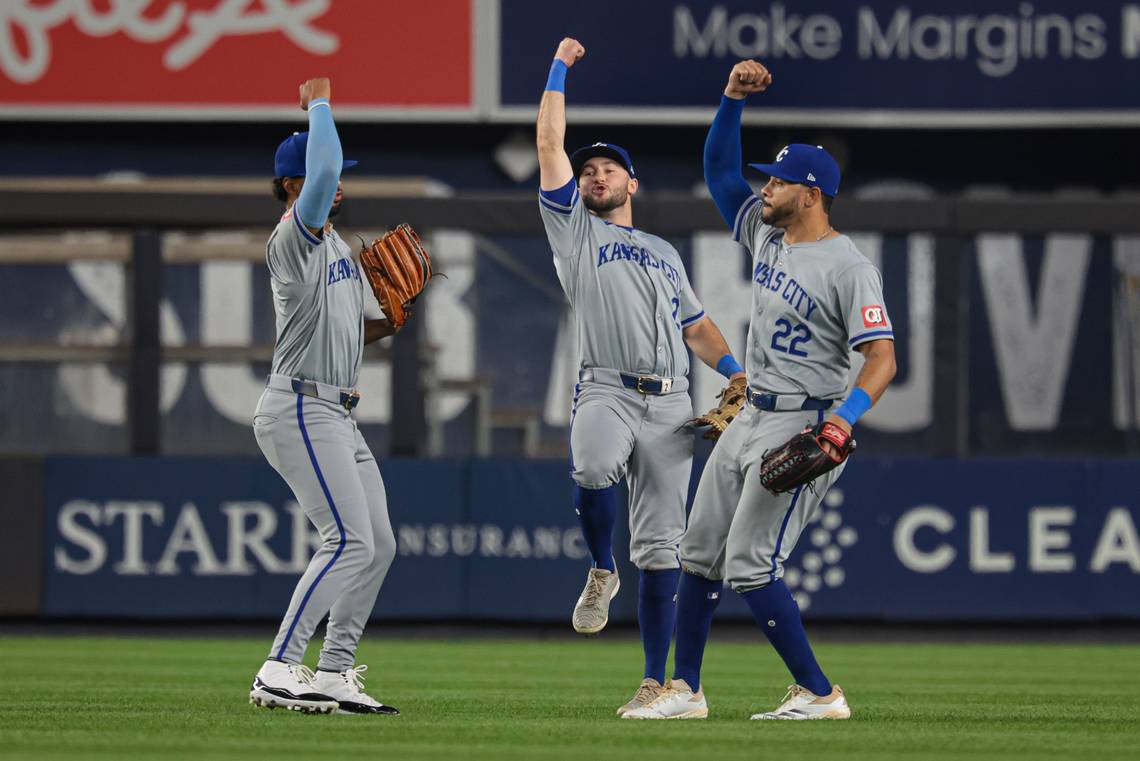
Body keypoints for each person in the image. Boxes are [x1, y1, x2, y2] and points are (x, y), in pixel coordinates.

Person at [625, 60, 897, 721]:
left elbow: (882, 359)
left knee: (750, 563)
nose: (765, 187)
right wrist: (729, 101)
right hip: (748, 416)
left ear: (811, 194)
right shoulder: (767, 236)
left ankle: (821, 693)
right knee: (699, 553)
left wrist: (843, 420)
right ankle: (685, 690)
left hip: (803, 422)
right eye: (768, 177)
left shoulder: (848, 267)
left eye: (778, 180)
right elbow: (720, 171)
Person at [536, 38, 748, 718]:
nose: (597, 175)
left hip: (673, 403)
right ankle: (602, 568)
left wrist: (737, 370)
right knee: (594, 466)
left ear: (633, 185)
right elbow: (548, 145)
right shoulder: (575, 233)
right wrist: (560, 66)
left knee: (663, 549)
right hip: (606, 387)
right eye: (590, 168)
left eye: (609, 169)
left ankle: (659, 682)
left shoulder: (662, 253)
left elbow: (696, 327)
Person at [247, 77, 402, 716]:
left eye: (337, 177)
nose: (338, 183)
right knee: (346, 541)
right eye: (321, 177)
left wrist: (384, 326)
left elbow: (345, 334)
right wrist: (319, 103)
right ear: (295, 184)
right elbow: (329, 160)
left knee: (379, 544)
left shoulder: (336, 246)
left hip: (337, 407)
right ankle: (278, 665)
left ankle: (334, 671)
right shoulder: (294, 236)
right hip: (300, 406)